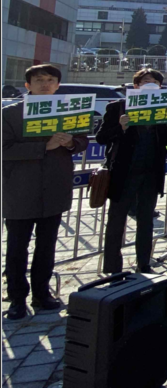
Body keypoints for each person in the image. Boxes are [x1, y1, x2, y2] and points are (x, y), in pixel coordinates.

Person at [2, 65, 89, 320]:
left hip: (55, 188)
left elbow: (82, 140)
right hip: (20, 189)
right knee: (17, 247)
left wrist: (71, 142)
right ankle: (17, 297)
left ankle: (42, 293)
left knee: (47, 245)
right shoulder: (10, 113)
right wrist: (44, 147)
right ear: (27, 85)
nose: (45, 84)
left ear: (58, 85)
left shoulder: (69, 111)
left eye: (51, 79)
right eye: (39, 80)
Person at [97, 68, 167, 274]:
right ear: (136, 86)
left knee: (146, 220)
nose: (150, 85)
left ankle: (144, 263)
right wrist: (121, 127)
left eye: (155, 83)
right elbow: (102, 137)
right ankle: (112, 267)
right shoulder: (118, 107)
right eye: (145, 82)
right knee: (116, 220)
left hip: (151, 171)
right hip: (123, 171)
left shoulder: (163, 108)